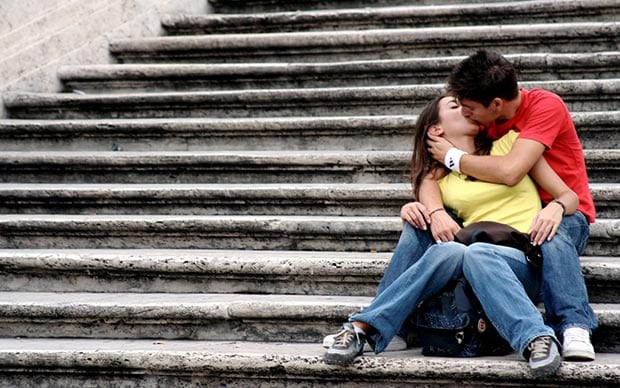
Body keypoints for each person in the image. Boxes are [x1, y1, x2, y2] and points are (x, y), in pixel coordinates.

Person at [323, 94, 579, 377]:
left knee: (476, 251)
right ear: (436, 130)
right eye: (455, 107)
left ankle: (536, 337)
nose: (467, 109)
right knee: (451, 250)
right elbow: (426, 188)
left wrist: (556, 207)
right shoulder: (439, 179)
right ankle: (361, 330)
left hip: (521, 260)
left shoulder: (509, 145)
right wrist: (423, 209)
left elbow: (569, 195)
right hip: (474, 261)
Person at [426, 50, 597, 361]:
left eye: (470, 109)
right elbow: (427, 175)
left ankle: (573, 326)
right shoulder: (486, 122)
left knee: (550, 230)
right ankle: (380, 321)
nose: (466, 115)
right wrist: (434, 210)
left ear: (496, 104)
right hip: (510, 234)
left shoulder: (544, 106)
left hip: (566, 213)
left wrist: (452, 157)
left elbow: (510, 171)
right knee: (424, 220)